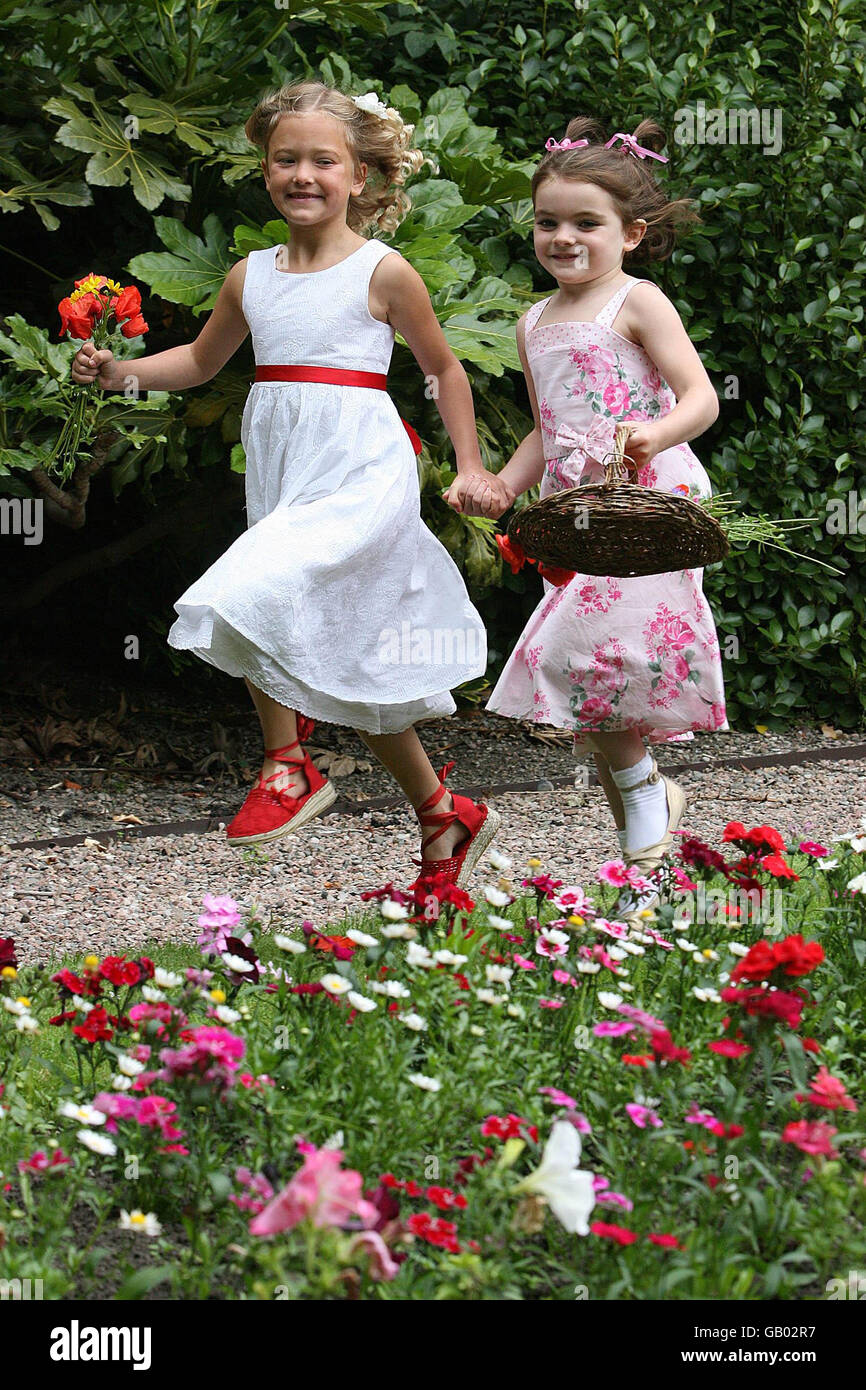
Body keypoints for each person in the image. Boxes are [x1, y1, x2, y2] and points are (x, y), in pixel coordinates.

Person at [71, 81, 511, 889]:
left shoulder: (384, 272)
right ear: (264, 169)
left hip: (360, 471)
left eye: (323, 160)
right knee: (351, 658)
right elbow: (201, 362)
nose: (302, 174)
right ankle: (444, 815)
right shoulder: (251, 276)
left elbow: (445, 370)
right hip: (285, 471)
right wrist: (119, 373)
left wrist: (475, 466)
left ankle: (287, 767)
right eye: (285, 159)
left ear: (361, 177)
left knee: (241, 589)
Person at [444, 117, 728, 905]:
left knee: (584, 662)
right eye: (547, 222)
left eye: (585, 223)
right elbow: (547, 428)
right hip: (574, 517)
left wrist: (653, 432)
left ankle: (645, 865)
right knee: (601, 690)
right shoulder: (532, 321)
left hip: (645, 509)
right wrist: (500, 483)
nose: (563, 237)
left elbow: (699, 398)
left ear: (631, 233)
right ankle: (650, 848)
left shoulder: (638, 302)